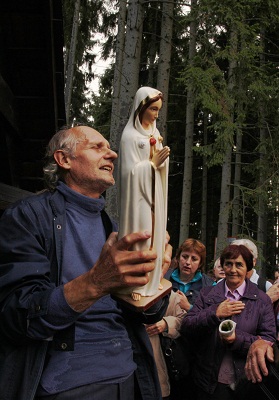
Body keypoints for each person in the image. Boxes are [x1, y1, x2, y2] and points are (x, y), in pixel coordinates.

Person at [0, 125, 172, 400]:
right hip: (69, 382)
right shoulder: (27, 217)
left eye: (110, 148)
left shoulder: (116, 228)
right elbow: (14, 315)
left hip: (131, 375)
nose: (113, 154)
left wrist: (155, 281)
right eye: (97, 147)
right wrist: (95, 282)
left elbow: (148, 314)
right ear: (64, 160)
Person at [181, 244, 276, 400]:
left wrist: (236, 339)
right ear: (223, 266)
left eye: (239, 265)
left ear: (248, 267)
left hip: (246, 380)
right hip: (208, 379)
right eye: (228, 264)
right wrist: (215, 312)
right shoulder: (208, 294)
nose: (233, 270)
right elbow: (187, 326)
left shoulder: (261, 299)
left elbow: (268, 339)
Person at [118, 86, 170, 300]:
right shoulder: (129, 137)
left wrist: (162, 162)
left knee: (157, 234)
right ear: (141, 108)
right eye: (153, 109)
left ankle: (153, 277)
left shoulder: (155, 133)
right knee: (142, 236)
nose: (156, 115)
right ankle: (135, 285)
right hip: (137, 199)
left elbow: (159, 166)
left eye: (158, 110)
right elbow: (128, 173)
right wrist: (151, 164)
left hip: (155, 193)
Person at [146, 290, 187, 399]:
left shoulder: (170, 295)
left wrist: (166, 324)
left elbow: (185, 321)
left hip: (163, 363)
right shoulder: (123, 294)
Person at [165, 238, 214, 312]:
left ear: (200, 263)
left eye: (194, 259)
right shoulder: (164, 277)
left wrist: (189, 307)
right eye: (184, 257)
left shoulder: (210, 285)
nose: (188, 262)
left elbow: (211, 314)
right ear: (178, 258)